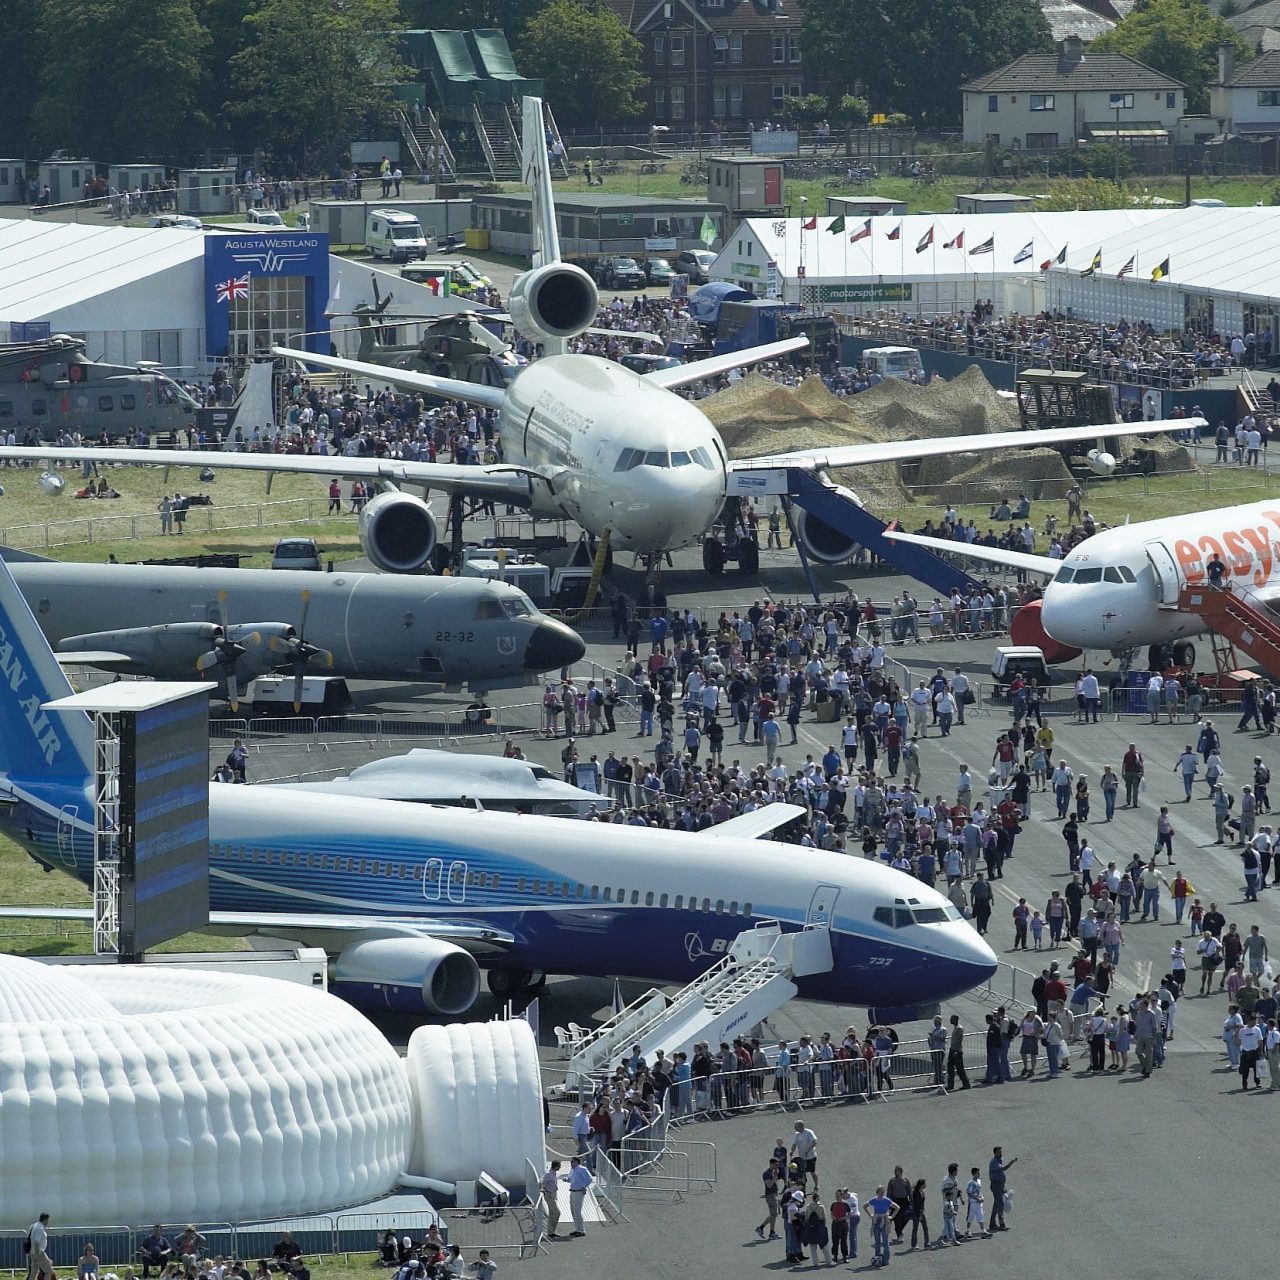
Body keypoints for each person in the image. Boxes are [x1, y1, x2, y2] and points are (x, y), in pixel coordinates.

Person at [866, 1185, 896, 1267]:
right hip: (877, 1220)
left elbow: (897, 1207)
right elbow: (865, 1206)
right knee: (877, 1241)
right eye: (880, 1192)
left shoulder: (887, 1200)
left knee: (885, 1241)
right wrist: (870, 1215)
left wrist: (891, 1217)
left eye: (883, 1192)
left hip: (884, 1220)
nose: (882, 1193)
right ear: (877, 1192)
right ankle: (878, 1258)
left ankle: (886, 1259)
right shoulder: (874, 1200)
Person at [988, 1147, 1015, 1231]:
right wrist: (1012, 1162)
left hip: (1000, 1185)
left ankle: (992, 1223)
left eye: (1001, 1152)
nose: (1001, 1153)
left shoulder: (999, 1160)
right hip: (996, 1185)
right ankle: (1002, 1224)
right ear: (995, 1153)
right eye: (999, 1152)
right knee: (1000, 1204)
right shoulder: (994, 1162)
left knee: (996, 1204)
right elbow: (1004, 1168)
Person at [963, 1168, 991, 1240]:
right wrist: (977, 1198)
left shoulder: (978, 1181)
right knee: (970, 1217)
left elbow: (979, 1191)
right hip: (973, 1203)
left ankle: (983, 1231)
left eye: (979, 1173)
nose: (979, 1174)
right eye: (977, 1173)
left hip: (978, 1203)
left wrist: (982, 1197)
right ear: (973, 1174)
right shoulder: (971, 1183)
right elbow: (969, 1193)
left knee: (980, 1215)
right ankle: (967, 1230)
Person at [540, 1160, 562, 1239]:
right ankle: (551, 1231)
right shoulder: (549, 1174)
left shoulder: (553, 1174)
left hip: (553, 1195)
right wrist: (542, 1189)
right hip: (549, 1195)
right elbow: (542, 1181)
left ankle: (551, 1232)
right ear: (556, 1166)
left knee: (552, 1213)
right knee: (557, 1213)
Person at [28, 1214, 53, 1280]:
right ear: (45, 1220)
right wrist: (37, 1255)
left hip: (32, 1252)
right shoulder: (40, 1228)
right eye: (47, 1220)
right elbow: (36, 1242)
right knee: (49, 1271)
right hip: (39, 1253)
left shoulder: (34, 1226)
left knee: (33, 1273)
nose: (48, 1222)